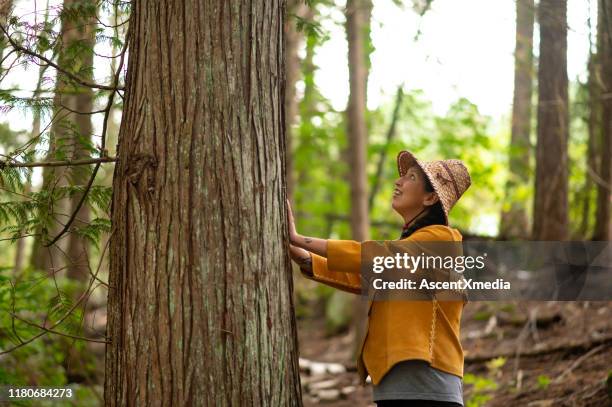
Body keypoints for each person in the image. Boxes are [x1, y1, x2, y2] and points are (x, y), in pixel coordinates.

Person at [287, 150, 472, 407]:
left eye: (411, 177)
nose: (398, 182)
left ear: (430, 197)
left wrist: (301, 239)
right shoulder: (410, 249)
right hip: (399, 383)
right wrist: (306, 257)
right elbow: (364, 276)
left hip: (427, 382)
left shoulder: (441, 239)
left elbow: (376, 255)